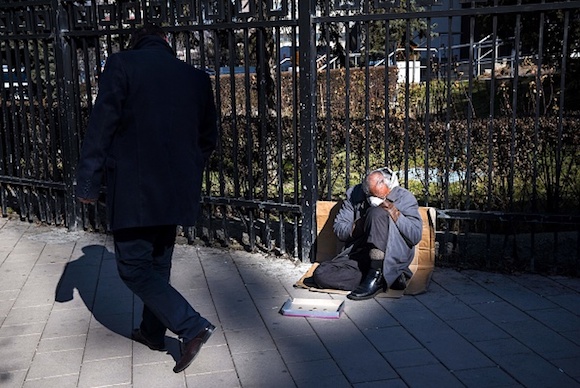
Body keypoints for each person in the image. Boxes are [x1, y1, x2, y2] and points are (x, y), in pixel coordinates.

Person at [75, 23, 218, 373]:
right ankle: (153, 333)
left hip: (136, 189)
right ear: (167, 41)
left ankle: (191, 325)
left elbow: (101, 125)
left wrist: (88, 183)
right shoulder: (196, 77)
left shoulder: (121, 64)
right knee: (157, 263)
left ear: (135, 42)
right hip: (176, 189)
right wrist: (187, 170)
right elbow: (208, 138)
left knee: (134, 269)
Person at [310, 167, 423, 300]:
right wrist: (362, 223)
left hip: (390, 254)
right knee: (321, 274)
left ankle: (379, 273)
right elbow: (340, 229)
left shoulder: (404, 197)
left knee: (376, 213)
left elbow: (415, 236)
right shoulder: (354, 194)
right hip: (360, 253)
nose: (375, 199)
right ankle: (387, 278)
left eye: (380, 196)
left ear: (390, 187)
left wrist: (393, 212)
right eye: (371, 195)